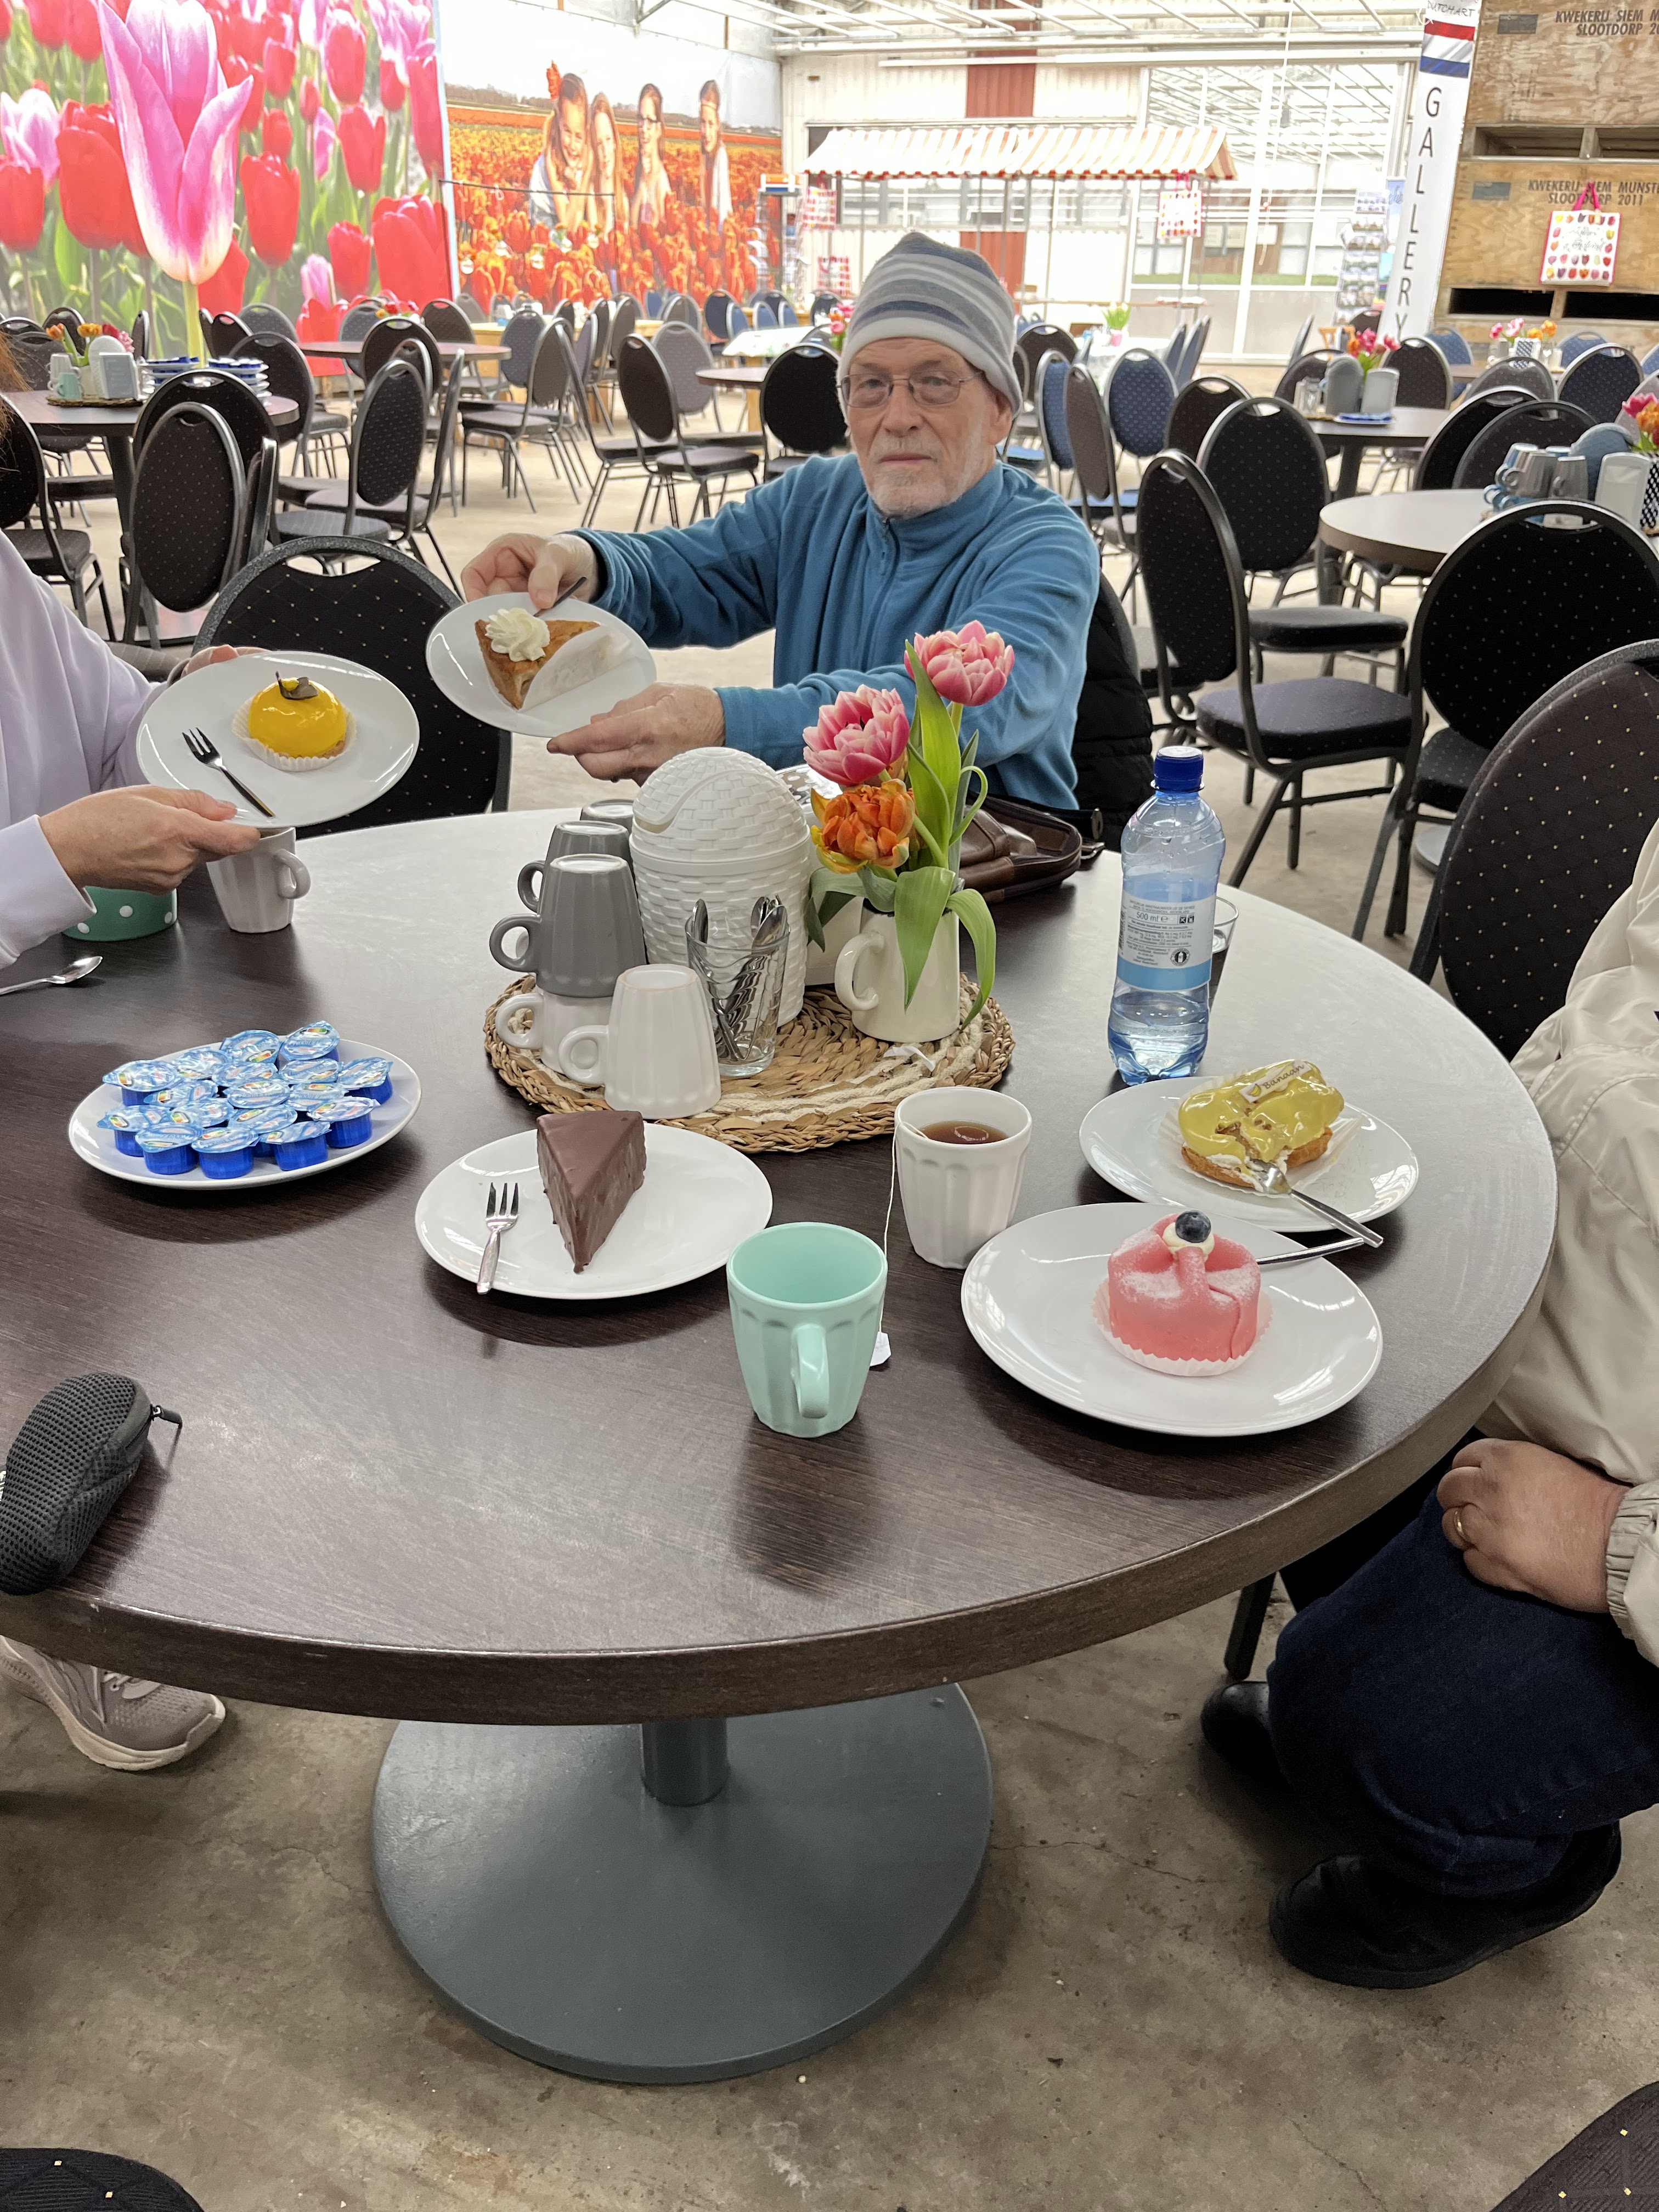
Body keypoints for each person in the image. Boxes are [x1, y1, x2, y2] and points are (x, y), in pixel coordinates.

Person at [1203, 815, 1659, 1987]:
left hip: (1624, 1499)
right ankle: (1395, 1733)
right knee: (1289, 1424)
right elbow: (1605, 1025)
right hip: (1537, 1352)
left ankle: (1508, 1864)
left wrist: (1620, 1544)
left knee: (1355, 1715)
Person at [462, 231, 1119, 814]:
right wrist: (587, 564)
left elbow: (948, 708)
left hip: (990, 888)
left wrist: (727, 723)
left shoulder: (1046, 545)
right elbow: (690, 569)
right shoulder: (817, 499)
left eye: (934, 382)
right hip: (821, 866)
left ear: (1001, 407)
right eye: (870, 385)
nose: (897, 417)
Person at [0, 524, 253, 1769]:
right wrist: (49, 861)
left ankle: (52, 1551)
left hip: (45, 1028)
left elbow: (108, 732)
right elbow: (56, 838)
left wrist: (186, 708)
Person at [528, 70, 593, 234]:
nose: (572, 145)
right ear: (559, 123)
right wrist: (573, 189)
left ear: (587, 131)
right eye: (567, 132)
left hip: (569, 207)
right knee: (552, 241)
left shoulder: (588, 158)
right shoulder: (552, 157)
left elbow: (578, 212)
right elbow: (565, 223)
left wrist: (575, 189)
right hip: (544, 208)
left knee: (576, 238)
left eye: (579, 137)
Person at [629, 82, 671, 233]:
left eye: (650, 121)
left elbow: (656, 234)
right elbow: (632, 227)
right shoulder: (641, 171)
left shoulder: (661, 182)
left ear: (658, 129)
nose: (644, 129)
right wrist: (642, 183)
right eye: (641, 119)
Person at [589, 92, 623, 239]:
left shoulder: (623, 203)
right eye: (599, 143)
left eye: (608, 140)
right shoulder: (590, 195)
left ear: (615, 142)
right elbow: (597, 244)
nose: (605, 151)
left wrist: (611, 205)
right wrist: (608, 207)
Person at [698, 78, 731, 224]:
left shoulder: (720, 156)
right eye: (702, 123)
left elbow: (722, 210)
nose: (706, 132)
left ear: (718, 124)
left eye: (711, 124)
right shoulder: (704, 157)